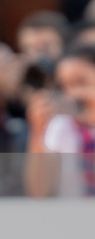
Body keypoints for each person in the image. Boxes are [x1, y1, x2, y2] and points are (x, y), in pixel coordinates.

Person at [25, 44, 95, 196]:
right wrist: (37, 132)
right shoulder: (60, 126)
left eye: (81, 82)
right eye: (64, 86)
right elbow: (39, 191)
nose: (73, 94)